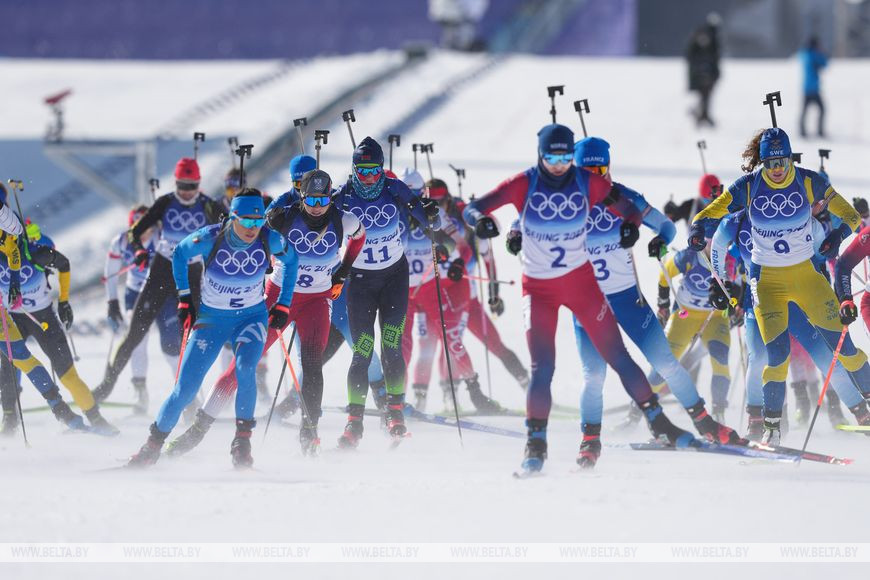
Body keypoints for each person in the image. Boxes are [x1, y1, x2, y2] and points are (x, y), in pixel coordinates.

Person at [464, 123, 695, 474]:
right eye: (553, 158)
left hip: (603, 290)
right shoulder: (541, 187)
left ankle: (680, 423)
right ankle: (561, 443)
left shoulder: (603, 188)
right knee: (568, 372)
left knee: (641, 359)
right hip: (561, 293)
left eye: (566, 159)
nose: (561, 167)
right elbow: (496, 214)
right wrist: (495, 229)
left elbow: (646, 216)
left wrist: (644, 233)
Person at [689, 127, 870, 444]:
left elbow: (843, 221)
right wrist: (722, 283)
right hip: (763, 287)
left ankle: (861, 408)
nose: (776, 170)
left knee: (837, 350)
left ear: (789, 159)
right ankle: (764, 425)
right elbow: (711, 231)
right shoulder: (743, 199)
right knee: (770, 356)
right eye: (770, 163)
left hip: (804, 282)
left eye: (782, 162)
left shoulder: (808, 183)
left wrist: (840, 234)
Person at [565, 137, 738, 467]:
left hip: (627, 299)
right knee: (594, 376)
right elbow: (530, 225)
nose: (594, 178)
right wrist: (516, 235)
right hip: (587, 305)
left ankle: (706, 424)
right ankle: (590, 440)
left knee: (667, 364)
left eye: (600, 170)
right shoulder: (564, 204)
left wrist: (658, 239)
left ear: (608, 168)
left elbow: (667, 227)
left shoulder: (624, 198)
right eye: (587, 171)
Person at [166, 169, 364, 456]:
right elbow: (251, 235)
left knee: (312, 364)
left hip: (317, 300)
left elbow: (359, 237)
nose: (317, 207)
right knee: (242, 366)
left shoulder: (344, 220)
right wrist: (264, 260)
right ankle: (198, 430)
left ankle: (309, 433)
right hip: (279, 298)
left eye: (323, 200)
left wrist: (343, 271)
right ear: (302, 197)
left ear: (330, 198)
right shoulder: (283, 217)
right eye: (311, 200)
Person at [128, 189, 298, 468]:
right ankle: (152, 447)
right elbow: (179, 254)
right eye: (247, 221)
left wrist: (283, 304)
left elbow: (292, 261)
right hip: (212, 321)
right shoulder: (211, 237)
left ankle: (242, 443)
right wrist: (185, 298)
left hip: (251, 319)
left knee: (245, 370)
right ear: (233, 217)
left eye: (258, 221)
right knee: (185, 389)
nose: (253, 228)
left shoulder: (270, 238)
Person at [713, 209, 870, 438]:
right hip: (760, 301)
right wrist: (727, 287)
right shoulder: (741, 223)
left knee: (828, 360)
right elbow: (727, 256)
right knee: (760, 359)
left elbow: (823, 254)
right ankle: (758, 421)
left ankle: (861, 413)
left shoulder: (795, 215)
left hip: (796, 301)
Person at [332, 137, 437, 447]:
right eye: (361, 171)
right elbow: (312, 219)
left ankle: (395, 415)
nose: (368, 178)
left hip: (394, 279)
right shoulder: (343, 196)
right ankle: (354, 423)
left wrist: (431, 215)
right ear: (353, 170)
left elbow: (431, 223)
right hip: (360, 283)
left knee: (392, 346)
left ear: (382, 169)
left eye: (374, 171)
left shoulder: (394, 188)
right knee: (363, 351)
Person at [94, 158, 226, 401]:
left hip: (191, 273)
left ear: (199, 183)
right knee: (135, 334)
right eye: (182, 185)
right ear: (175, 183)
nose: (187, 192)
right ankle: (107, 386)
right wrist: (139, 251)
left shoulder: (208, 205)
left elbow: (230, 231)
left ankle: (189, 398)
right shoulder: (165, 202)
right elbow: (135, 232)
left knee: (191, 339)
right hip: (163, 269)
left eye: (192, 185)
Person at [409, 177, 502, 413]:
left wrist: (457, 261)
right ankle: (414, 399)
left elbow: (464, 247)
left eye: (440, 201)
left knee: (451, 341)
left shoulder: (439, 216)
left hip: (439, 289)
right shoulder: (397, 214)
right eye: (432, 200)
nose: (436, 204)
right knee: (422, 345)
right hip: (411, 291)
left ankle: (459, 394)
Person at [0, 193, 90, 434]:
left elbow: (22, 250)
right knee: (10, 363)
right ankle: (10, 416)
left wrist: (16, 281)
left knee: (22, 358)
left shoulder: (11, 226)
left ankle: (65, 410)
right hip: (13, 310)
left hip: (35, 311)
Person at [104, 205, 180, 413]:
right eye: (137, 226)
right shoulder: (121, 242)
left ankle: (185, 392)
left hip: (162, 295)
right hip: (135, 294)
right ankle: (140, 392)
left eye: (147, 226)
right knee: (137, 341)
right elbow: (110, 273)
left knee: (171, 344)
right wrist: (112, 302)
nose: (144, 231)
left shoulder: (162, 237)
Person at [686, 13, 722, 127]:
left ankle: (702, 114)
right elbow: (702, 56)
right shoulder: (706, 35)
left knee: (706, 95)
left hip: (707, 72)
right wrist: (704, 69)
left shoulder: (711, 35)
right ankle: (702, 115)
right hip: (703, 72)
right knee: (704, 94)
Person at [799, 36, 828, 138]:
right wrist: (822, 53)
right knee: (822, 109)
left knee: (805, 111)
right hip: (813, 88)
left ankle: (802, 131)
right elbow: (824, 64)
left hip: (806, 87)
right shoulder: (814, 55)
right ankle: (820, 131)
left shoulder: (804, 54)